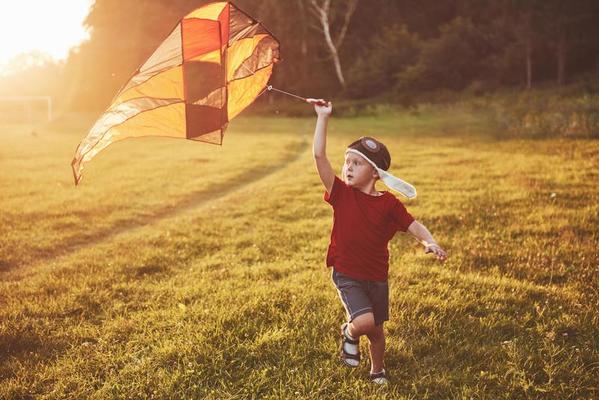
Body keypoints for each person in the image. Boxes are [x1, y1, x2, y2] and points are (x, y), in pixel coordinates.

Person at [309, 98, 447, 385]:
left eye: (356, 163)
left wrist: (429, 241)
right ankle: (348, 332)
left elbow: (413, 225)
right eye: (347, 161)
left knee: (376, 332)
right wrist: (323, 117)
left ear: (374, 173)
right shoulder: (341, 194)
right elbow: (320, 157)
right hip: (347, 273)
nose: (347, 167)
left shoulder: (388, 204)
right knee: (363, 323)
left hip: (376, 277)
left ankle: (377, 370)